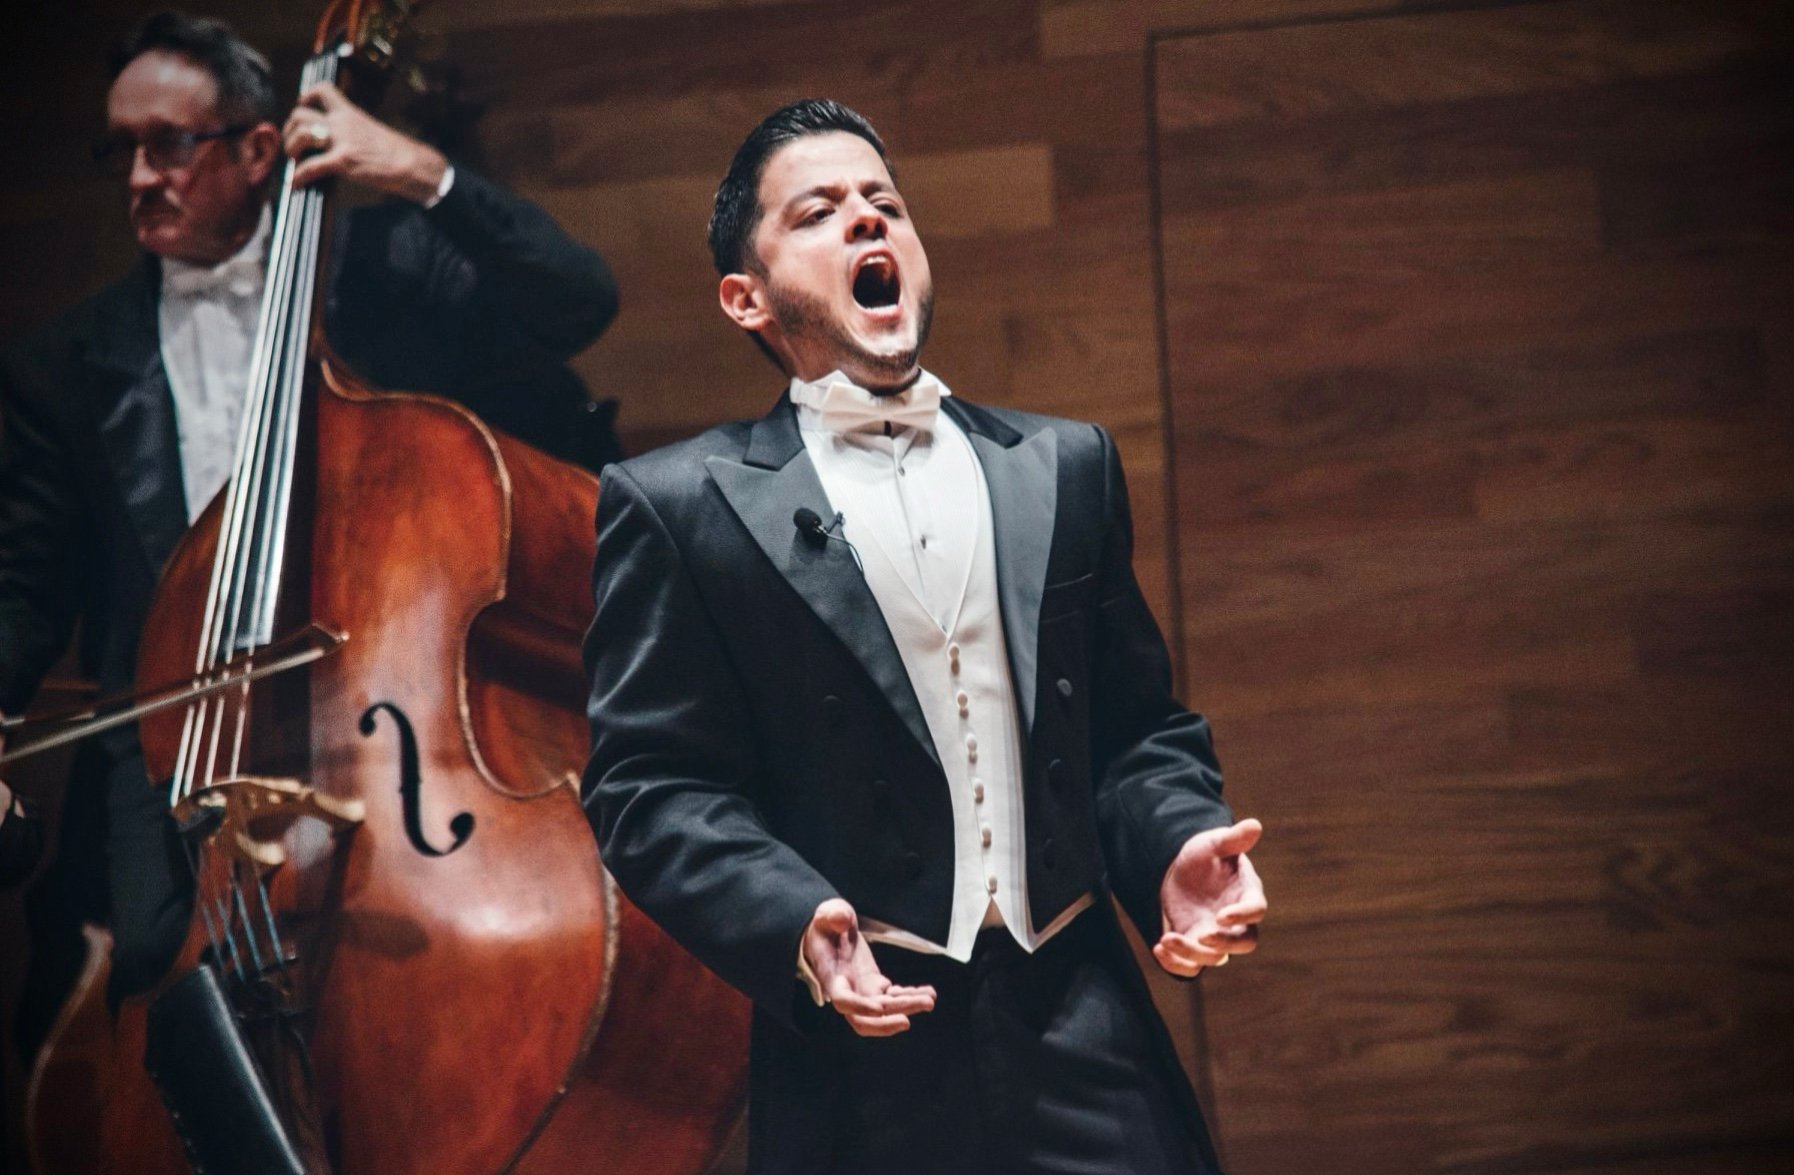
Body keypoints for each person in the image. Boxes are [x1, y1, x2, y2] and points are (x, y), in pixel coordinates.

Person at [582, 99, 1267, 1175]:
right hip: (864, 1039)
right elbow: (649, 786)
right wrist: (793, 917)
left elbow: (1135, 731)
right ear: (744, 297)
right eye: (820, 211)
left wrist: (1174, 841)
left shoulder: (1063, 465)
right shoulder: (679, 507)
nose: (867, 223)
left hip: (1080, 1007)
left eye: (884, 204)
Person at [0, 10, 619, 1056]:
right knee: (156, 994)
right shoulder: (64, 363)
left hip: (385, 729)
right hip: (181, 745)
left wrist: (420, 172)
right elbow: (24, 581)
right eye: (122, 150)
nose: (141, 175)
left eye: (170, 145)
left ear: (255, 148)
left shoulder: (386, 266)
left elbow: (580, 298)